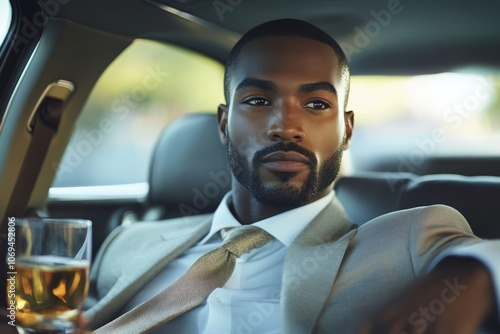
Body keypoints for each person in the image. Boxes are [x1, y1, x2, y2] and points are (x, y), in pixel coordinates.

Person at [84, 19, 500, 333]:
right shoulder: (129, 244)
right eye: (260, 100)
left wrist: (473, 276)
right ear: (225, 124)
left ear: (347, 129)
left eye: (317, 104)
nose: (286, 126)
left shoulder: (411, 241)